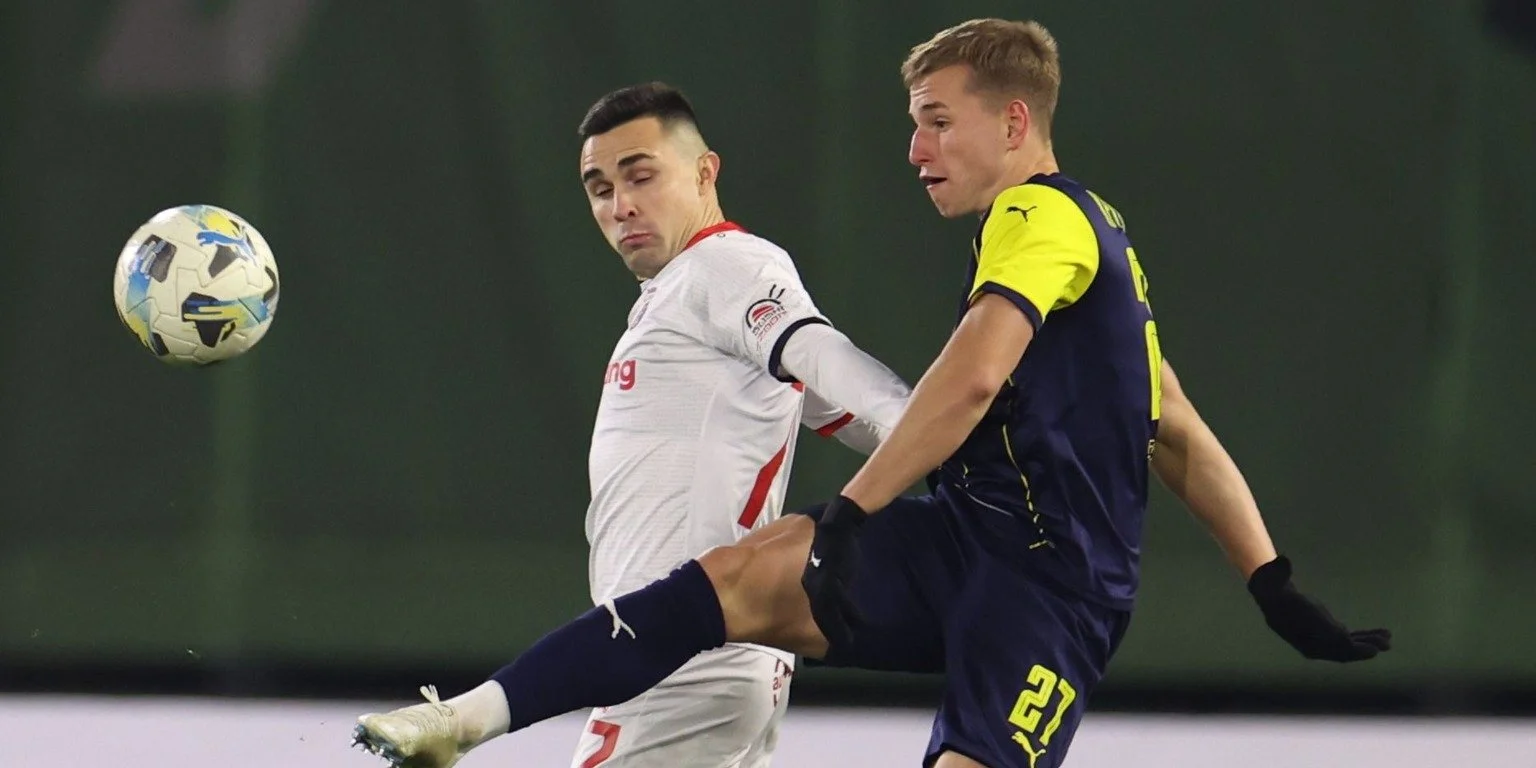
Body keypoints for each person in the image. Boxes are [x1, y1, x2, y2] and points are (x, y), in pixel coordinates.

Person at [353, 19, 1390, 768]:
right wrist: (1269, 579)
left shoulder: (1042, 216)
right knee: (736, 576)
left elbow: (970, 377)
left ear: (1014, 121)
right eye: (911, 122)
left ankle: (472, 718)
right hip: (967, 541)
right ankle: (469, 719)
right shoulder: (1082, 253)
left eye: (937, 121)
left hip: (1051, 592)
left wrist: (853, 512)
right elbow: (1178, 432)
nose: (915, 148)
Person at [351, 82, 910, 768]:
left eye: (641, 176)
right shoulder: (682, 297)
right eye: (600, 188)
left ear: (705, 172)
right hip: (697, 658)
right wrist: (935, 436)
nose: (621, 206)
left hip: (683, 660)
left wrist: (945, 430)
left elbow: (826, 358)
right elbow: (848, 409)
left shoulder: (726, 266)